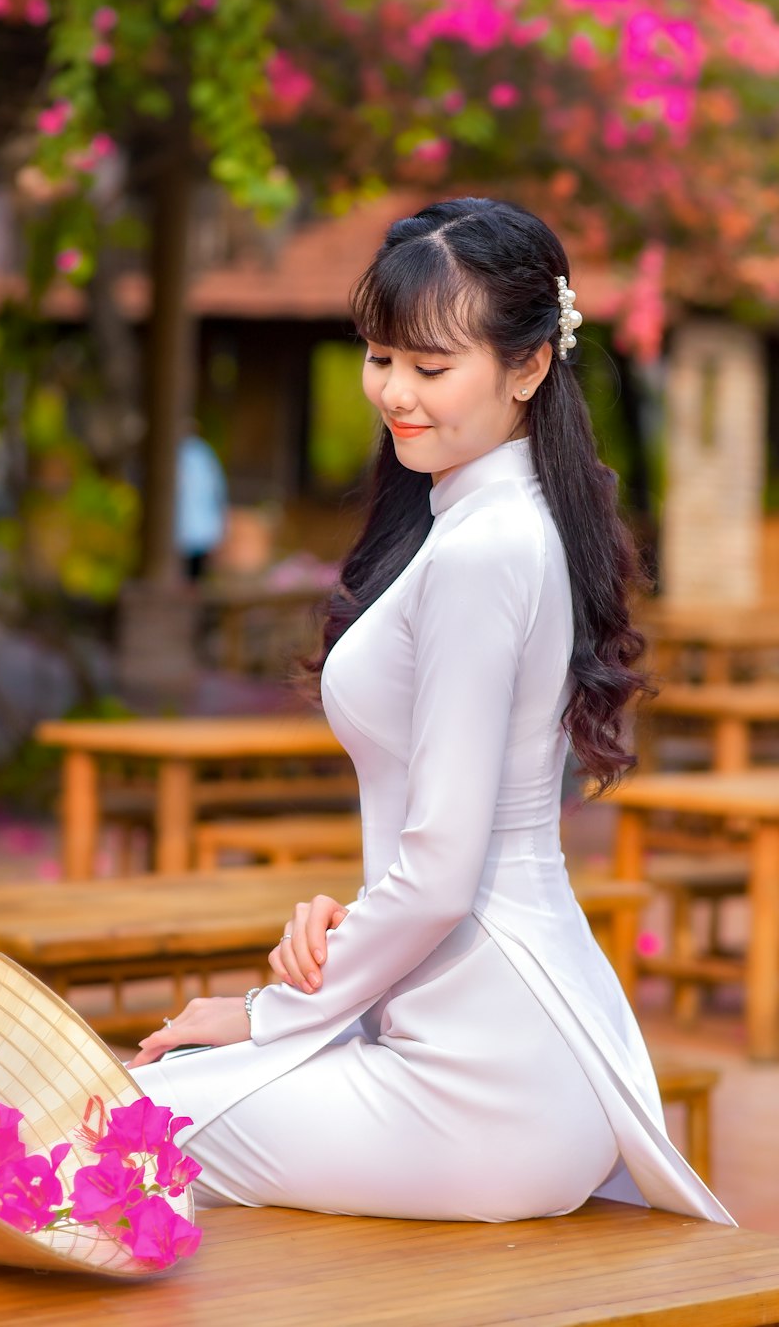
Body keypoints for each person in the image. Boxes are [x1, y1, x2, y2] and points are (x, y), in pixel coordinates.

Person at [130, 198, 734, 1227]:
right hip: (480, 1033)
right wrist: (346, 932)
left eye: (428, 366)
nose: (394, 394)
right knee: (117, 1129)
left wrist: (267, 1012)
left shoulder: (485, 545)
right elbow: (439, 853)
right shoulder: (491, 516)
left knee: (109, 1124)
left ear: (528, 365)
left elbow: (446, 869)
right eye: (378, 359)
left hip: (483, 1078)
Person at [175, 425, 228, 581]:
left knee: (190, 568)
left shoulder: (196, 453)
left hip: (191, 525)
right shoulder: (202, 453)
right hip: (194, 525)